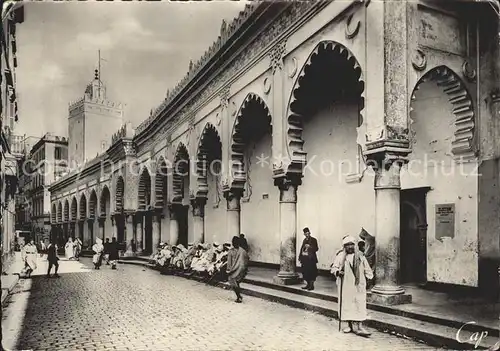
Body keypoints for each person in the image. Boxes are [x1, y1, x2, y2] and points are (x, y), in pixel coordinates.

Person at [331, 235, 373, 337]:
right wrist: (338, 272)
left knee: (359, 304)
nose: (350, 247)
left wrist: (368, 277)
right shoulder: (340, 256)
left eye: (351, 244)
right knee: (347, 304)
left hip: (359, 285)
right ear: (344, 246)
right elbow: (333, 268)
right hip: (346, 285)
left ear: (355, 245)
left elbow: (367, 269)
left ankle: (359, 326)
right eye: (347, 245)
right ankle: (347, 325)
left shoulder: (361, 256)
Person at [226, 236, 249, 303]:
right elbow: (229, 261)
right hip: (234, 270)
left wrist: (229, 269)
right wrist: (229, 269)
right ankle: (239, 296)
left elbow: (246, 259)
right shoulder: (233, 251)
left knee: (234, 282)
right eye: (233, 242)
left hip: (239, 270)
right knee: (235, 283)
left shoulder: (242, 251)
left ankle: (239, 296)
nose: (234, 243)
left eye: (235, 242)